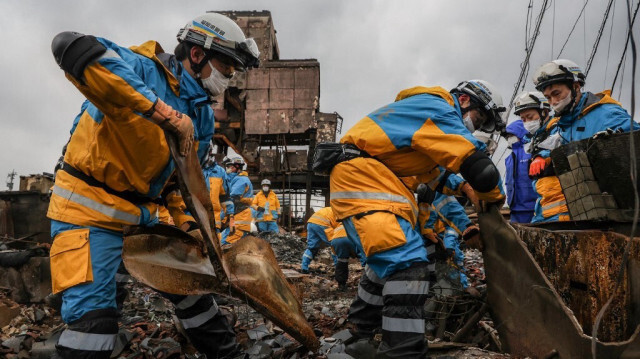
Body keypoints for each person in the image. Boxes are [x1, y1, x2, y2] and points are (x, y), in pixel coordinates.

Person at [47, 13, 258, 359]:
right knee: (95, 329)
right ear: (196, 55)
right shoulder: (141, 68)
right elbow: (69, 45)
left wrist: (192, 228)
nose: (230, 77)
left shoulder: (201, 114)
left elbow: (180, 180)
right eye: (226, 66)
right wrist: (164, 113)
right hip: (89, 215)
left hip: (140, 218)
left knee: (194, 290)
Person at [330, 80, 506, 358]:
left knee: (386, 262)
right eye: (480, 118)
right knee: (408, 264)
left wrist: (464, 187)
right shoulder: (437, 108)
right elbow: (476, 164)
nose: (476, 125)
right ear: (464, 101)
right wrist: (493, 196)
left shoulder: (418, 118)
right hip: (368, 180)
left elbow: (429, 175)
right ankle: (403, 351)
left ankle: (358, 333)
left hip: (373, 179)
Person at [532, 59, 637, 142]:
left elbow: (634, 136)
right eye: (548, 98)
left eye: (556, 94)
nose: (553, 102)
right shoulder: (563, 125)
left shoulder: (608, 113)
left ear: (576, 87)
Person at [512, 90, 568, 222]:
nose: (526, 122)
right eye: (523, 119)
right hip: (543, 206)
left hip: (561, 208)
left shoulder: (559, 128)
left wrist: (542, 156)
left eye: (530, 117)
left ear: (544, 112)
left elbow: (561, 144)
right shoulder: (534, 140)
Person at [300, 207, 365, 286]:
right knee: (334, 243)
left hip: (311, 223)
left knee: (312, 248)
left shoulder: (334, 209)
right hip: (322, 223)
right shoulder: (343, 214)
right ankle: (336, 265)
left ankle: (304, 267)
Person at [504, 118, 537, 223]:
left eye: (511, 135)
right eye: (508, 137)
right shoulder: (509, 158)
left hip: (533, 207)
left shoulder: (532, 151)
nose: (510, 139)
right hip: (515, 209)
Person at [221, 156, 253, 244]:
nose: (229, 169)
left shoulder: (241, 180)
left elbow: (232, 198)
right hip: (237, 219)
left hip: (239, 221)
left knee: (224, 244)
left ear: (238, 167)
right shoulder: (236, 179)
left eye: (231, 167)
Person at [203, 145, 234, 236]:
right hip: (195, 221)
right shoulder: (192, 170)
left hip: (214, 222)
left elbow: (225, 197)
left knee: (215, 248)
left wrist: (231, 217)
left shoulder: (220, 172)